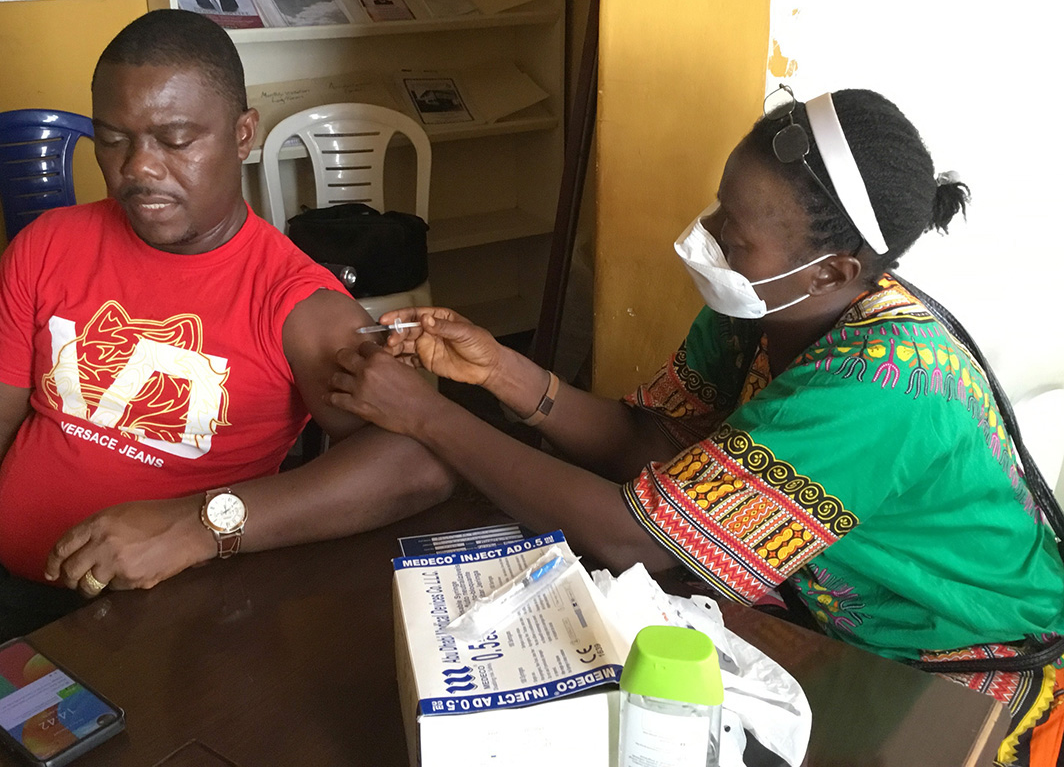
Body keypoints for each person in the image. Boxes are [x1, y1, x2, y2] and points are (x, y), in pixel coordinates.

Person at [328, 86, 1064, 766]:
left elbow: (630, 533)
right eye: (719, 209)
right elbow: (650, 447)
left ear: (831, 274)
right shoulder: (756, 305)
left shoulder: (884, 385)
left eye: (734, 236)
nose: (706, 237)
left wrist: (429, 415)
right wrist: (498, 373)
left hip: (959, 667)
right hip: (828, 624)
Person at [0, 9, 452, 712]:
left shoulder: (295, 302)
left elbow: (422, 461)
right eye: (112, 141)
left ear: (243, 134)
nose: (139, 168)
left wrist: (200, 523)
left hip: (162, 621)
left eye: (175, 140)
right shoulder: (49, 245)